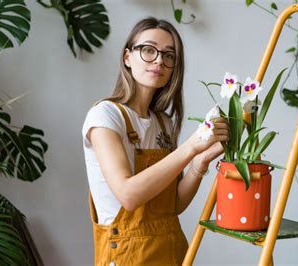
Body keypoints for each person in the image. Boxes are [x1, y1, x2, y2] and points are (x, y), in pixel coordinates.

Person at [82, 17, 228, 265]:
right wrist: (190, 148)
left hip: (169, 249)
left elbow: (173, 205)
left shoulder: (164, 123)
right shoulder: (105, 115)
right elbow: (128, 195)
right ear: (127, 57)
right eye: (148, 50)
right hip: (127, 253)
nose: (159, 60)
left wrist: (200, 161)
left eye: (169, 55)